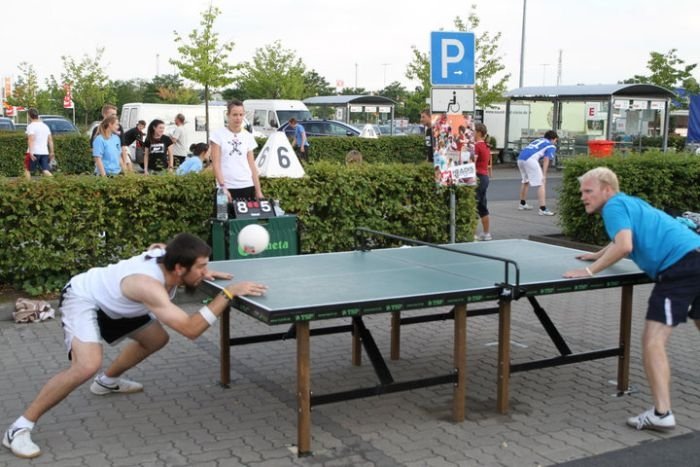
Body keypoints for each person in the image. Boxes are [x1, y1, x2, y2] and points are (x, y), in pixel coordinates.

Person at [2, 233, 267, 459]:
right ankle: (19, 428)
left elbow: (158, 246)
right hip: (85, 297)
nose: (204, 271)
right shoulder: (149, 287)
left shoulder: (168, 256)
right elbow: (191, 329)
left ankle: (106, 382)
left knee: (156, 339)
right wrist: (228, 293)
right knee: (86, 365)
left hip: (120, 303)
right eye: (200, 266)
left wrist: (203, 272)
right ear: (178, 268)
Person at [563, 167, 700, 432]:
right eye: (582, 192)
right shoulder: (628, 202)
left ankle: (662, 413)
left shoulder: (613, 207)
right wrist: (598, 254)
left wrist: (590, 270)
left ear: (607, 190)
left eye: (588, 191)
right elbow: (625, 238)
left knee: (653, 341)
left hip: (680, 266)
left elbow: (625, 245)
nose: (583, 197)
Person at [210, 100, 263, 201]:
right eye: (234, 115)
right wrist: (223, 187)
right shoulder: (218, 135)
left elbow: (252, 165)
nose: (238, 118)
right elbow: (216, 164)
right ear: (228, 115)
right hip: (226, 188)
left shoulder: (248, 136)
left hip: (247, 186)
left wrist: (258, 190)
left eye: (241, 114)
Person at [517, 130, 557, 216]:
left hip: (520, 158)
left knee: (525, 181)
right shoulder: (551, 145)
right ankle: (543, 209)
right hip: (530, 159)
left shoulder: (538, 140)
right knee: (541, 183)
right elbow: (546, 160)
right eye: (555, 141)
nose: (555, 143)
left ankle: (522, 204)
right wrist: (544, 175)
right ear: (553, 139)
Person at [473, 123, 492, 241]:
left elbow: (472, 162)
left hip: (478, 177)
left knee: (473, 206)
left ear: (479, 132)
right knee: (482, 206)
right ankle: (486, 233)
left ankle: (472, 234)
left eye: (473, 131)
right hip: (484, 177)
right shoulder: (485, 145)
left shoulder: (476, 146)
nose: (471, 133)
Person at [24, 108, 54, 179]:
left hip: (34, 152)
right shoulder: (45, 126)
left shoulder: (31, 126)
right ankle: (56, 184)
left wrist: (31, 152)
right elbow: (50, 140)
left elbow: (31, 139)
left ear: (29, 116)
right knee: (45, 170)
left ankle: (28, 186)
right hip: (44, 152)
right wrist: (52, 152)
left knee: (27, 169)